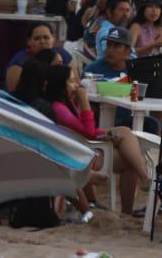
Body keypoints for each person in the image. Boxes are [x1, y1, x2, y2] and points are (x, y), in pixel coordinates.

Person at [43, 63, 149, 215]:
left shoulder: (61, 105)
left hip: (81, 147)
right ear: (61, 84)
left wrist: (104, 136)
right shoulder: (59, 109)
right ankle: (139, 184)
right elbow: (89, 132)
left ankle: (142, 177)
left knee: (124, 132)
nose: (77, 85)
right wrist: (85, 102)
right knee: (130, 162)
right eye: (72, 81)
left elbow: (85, 131)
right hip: (82, 155)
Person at [3, 22, 72, 90]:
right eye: (37, 38)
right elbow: (13, 91)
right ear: (28, 41)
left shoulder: (62, 54)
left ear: (53, 38)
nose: (42, 41)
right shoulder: (20, 60)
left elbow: (74, 82)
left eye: (46, 37)